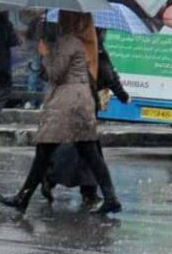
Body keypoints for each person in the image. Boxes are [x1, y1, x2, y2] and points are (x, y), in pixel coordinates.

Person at [0, 13, 121, 215]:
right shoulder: (82, 42)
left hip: (67, 105)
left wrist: (45, 53)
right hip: (79, 103)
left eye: (63, 18)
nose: (60, 22)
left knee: (46, 152)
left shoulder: (69, 42)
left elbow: (56, 74)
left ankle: (23, 198)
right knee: (86, 153)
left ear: (71, 21)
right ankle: (110, 198)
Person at [40, 27, 129, 206]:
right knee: (86, 151)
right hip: (83, 105)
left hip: (67, 104)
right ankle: (90, 191)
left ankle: (80, 188)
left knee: (76, 148)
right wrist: (121, 94)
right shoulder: (95, 50)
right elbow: (108, 75)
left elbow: (50, 75)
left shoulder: (67, 46)